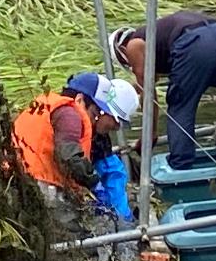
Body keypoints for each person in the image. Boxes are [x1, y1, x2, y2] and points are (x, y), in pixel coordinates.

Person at [109, 11, 216, 171]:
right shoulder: (155, 36)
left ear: (121, 51)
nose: (132, 67)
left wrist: (150, 133)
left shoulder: (132, 45)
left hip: (193, 43)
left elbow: (148, 94)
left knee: (180, 105)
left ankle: (181, 162)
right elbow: (153, 78)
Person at [7, 70, 140, 230]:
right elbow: (69, 155)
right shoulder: (70, 116)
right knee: (81, 235)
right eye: (96, 113)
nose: (94, 119)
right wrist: (93, 183)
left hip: (19, 180)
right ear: (80, 100)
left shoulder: (47, 105)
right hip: (40, 186)